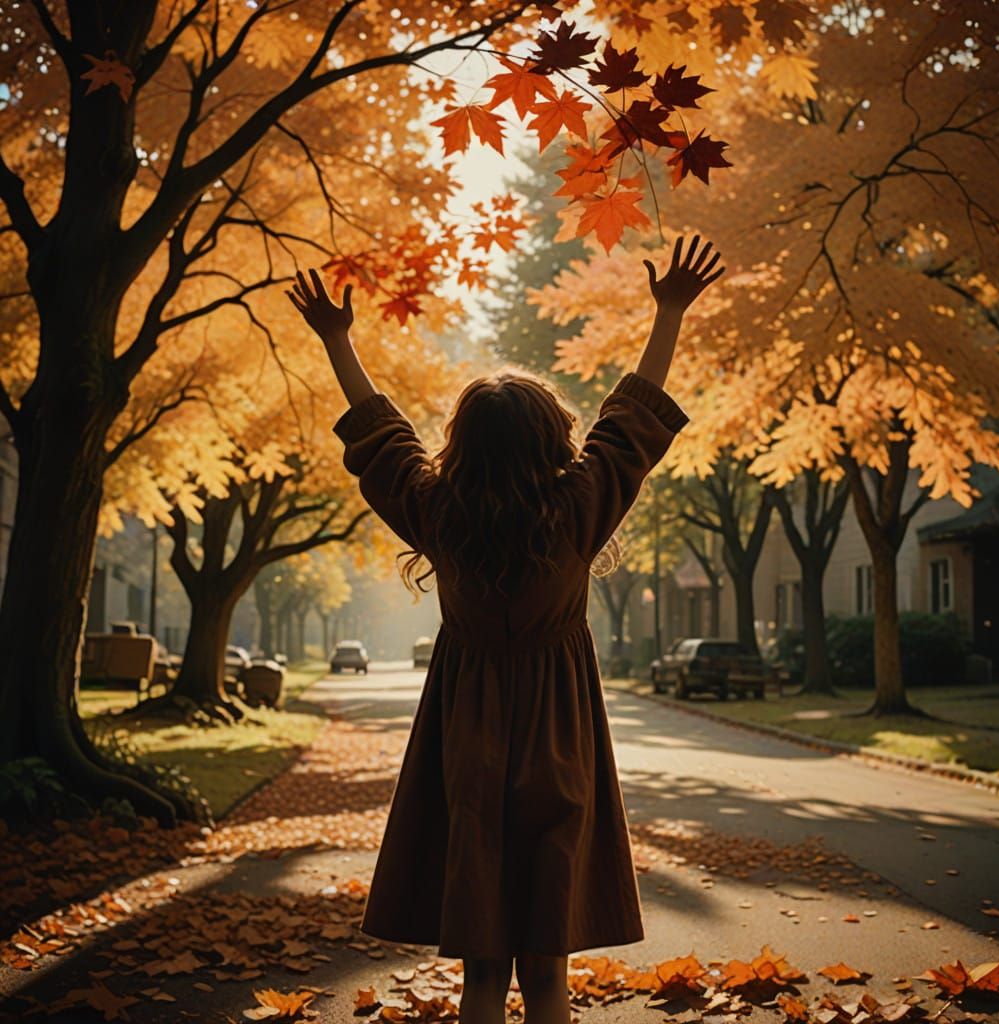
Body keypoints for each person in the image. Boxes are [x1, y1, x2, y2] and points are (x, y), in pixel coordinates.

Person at [287, 234, 723, 1024]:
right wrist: (668, 313)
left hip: (468, 748)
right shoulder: (577, 509)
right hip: (562, 741)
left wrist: (337, 340)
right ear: (551, 438)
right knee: (548, 979)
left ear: (465, 445)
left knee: (483, 979)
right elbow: (631, 427)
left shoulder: (439, 514)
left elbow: (381, 441)